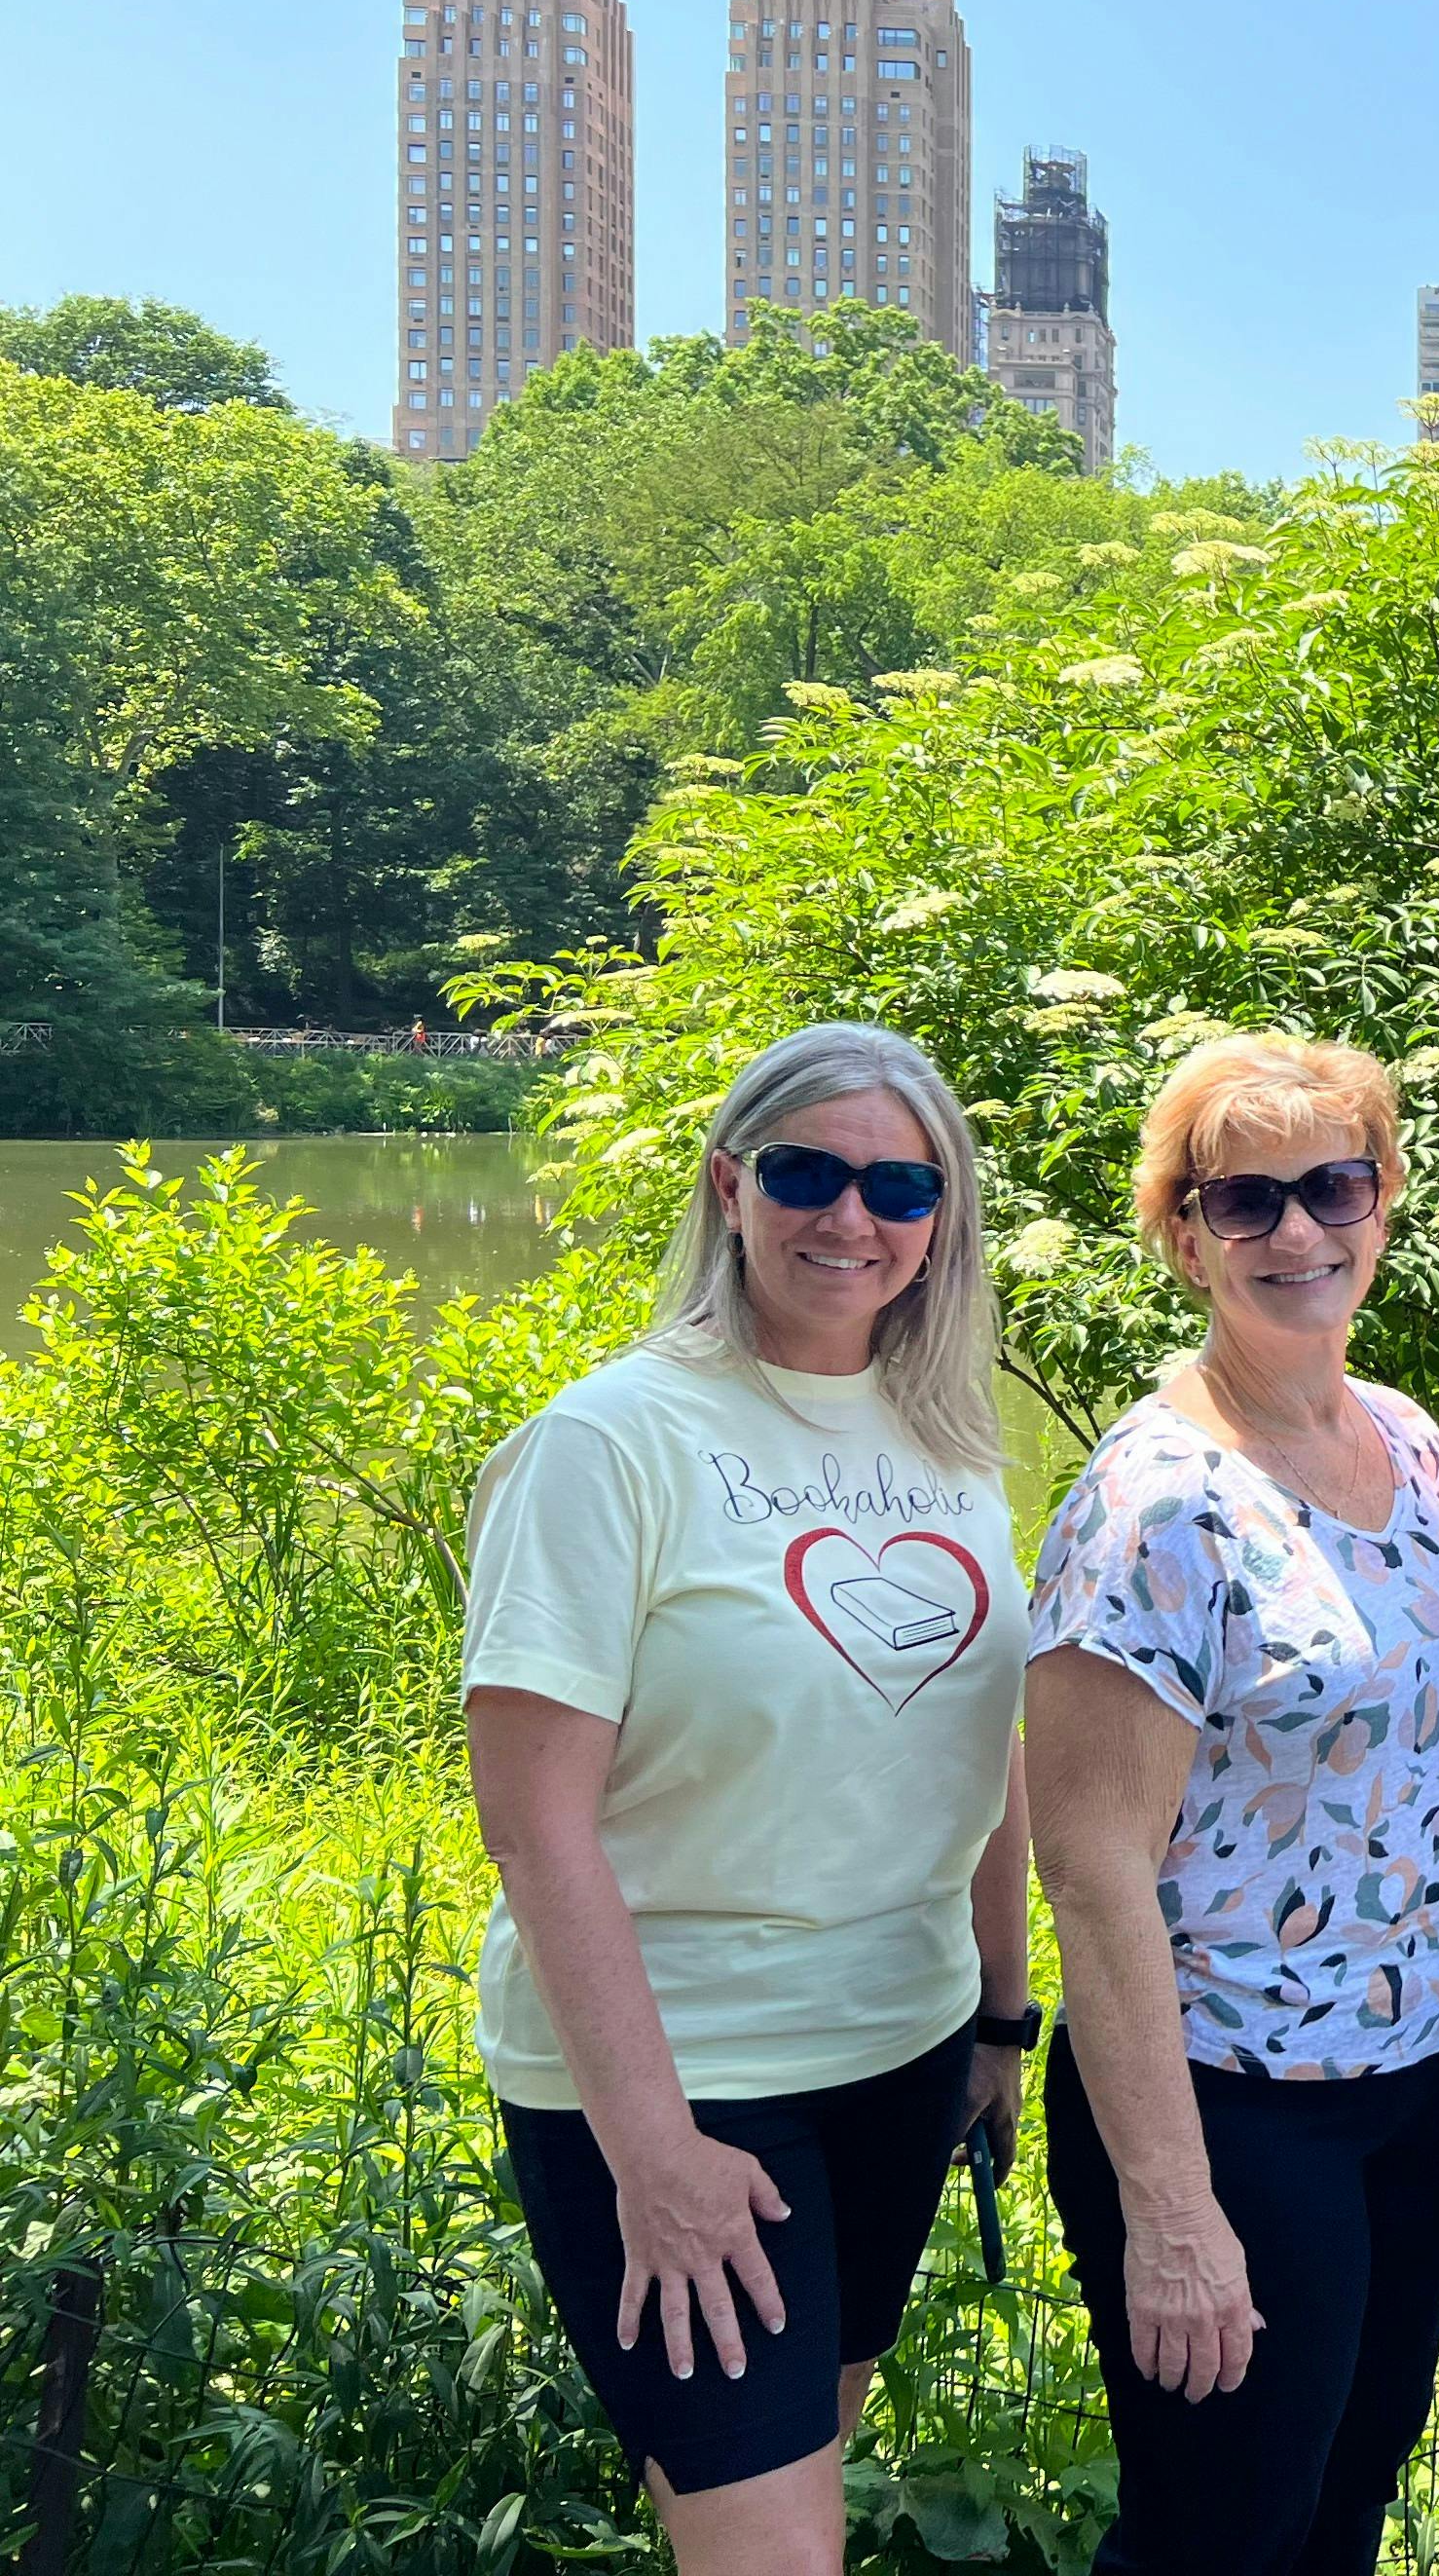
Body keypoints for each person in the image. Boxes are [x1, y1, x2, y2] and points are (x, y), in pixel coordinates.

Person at [462, 1023, 1036, 2576]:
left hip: (900, 2051)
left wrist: (1001, 2017)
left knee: (794, 2498)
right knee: (771, 2553)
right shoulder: (607, 1444)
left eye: (900, 1187)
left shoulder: (947, 1439)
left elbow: (983, 1743)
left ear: (942, 1220)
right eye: (806, 1174)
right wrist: (652, 2151)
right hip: (685, 2075)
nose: (852, 1217)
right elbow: (533, 1823)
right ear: (729, 1186)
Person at [1025, 1033, 1439, 2576]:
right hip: (1224, 2099)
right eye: (1245, 1201)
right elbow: (1091, 1870)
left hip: (1403, 2088)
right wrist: (1171, 2210)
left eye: (1335, 1186)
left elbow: (1429, 1762)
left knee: (1342, 2512)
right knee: (1219, 2538)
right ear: (1184, 1236)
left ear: (1384, 1201)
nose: (1298, 1230)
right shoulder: (1155, 1502)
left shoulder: (1406, 1439)